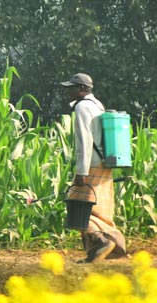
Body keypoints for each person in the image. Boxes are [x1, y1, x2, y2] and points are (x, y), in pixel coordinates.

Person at [60, 72, 127, 262]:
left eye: (71, 88)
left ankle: (102, 241)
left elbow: (84, 140)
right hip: (104, 163)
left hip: (91, 164)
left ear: (82, 89)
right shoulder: (98, 105)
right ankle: (104, 248)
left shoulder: (82, 108)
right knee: (100, 211)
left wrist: (82, 171)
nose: (68, 92)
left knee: (79, 207)